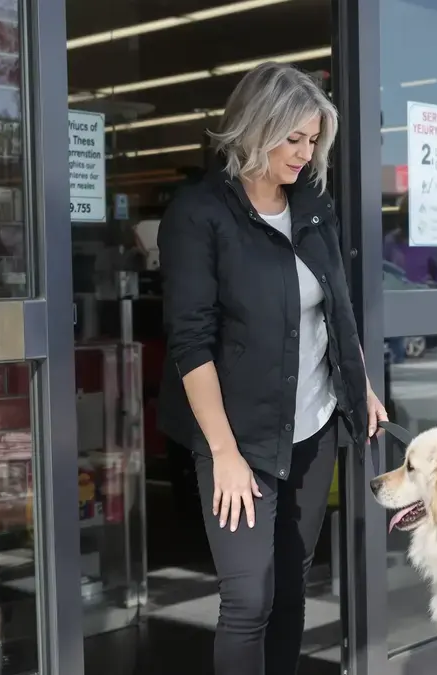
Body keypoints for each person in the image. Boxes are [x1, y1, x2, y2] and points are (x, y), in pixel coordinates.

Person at [156, 62, 387, 673]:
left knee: (289, 588)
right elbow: (191, 341)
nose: (305, 154)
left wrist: (360, 386)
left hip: (312, 425)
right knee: (247, 597)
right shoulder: (200, 213)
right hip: (238, 437)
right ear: (258, 128)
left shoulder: (313, 206)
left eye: (313, 142)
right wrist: (225, 454)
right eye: (294, 139)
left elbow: (336, 305)